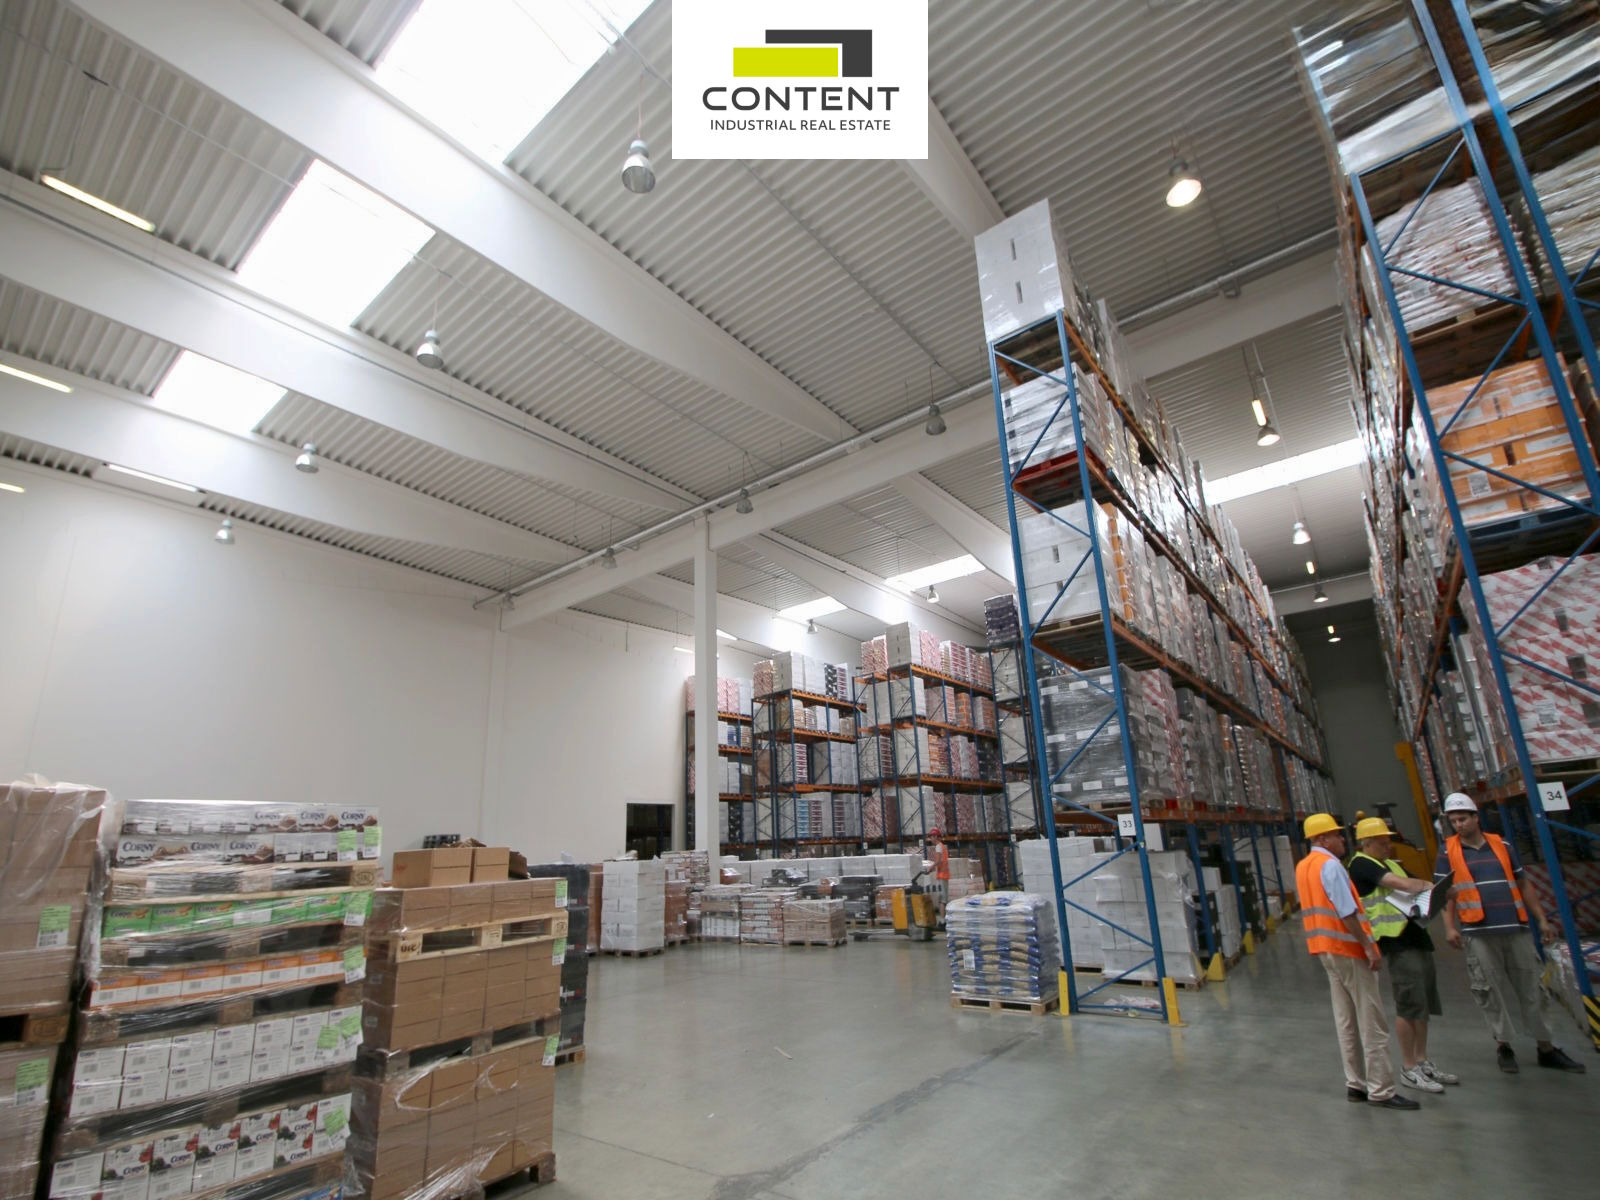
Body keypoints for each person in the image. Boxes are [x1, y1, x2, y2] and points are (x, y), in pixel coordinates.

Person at [1434, 792, 1585, 1074]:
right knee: (1489, 990)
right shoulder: (1447, 851)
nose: (1458, 825)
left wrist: (1542, 920)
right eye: (1454, 821)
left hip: (1515, 928)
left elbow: (1523, 884)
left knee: (1532, 988)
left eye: (1463, 819)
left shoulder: (1501, 845)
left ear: (1476, 817)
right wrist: (1450, 927)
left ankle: (1546, 1048)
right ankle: (1503, 1046)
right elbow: (1445, 893)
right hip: (1478, 931)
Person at [1295, 813, 1419, 1109]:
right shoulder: (1330, 866)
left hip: (1325, 951)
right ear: (1322, 838)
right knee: (1371, 1020)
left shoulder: (1304, 866)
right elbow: (1346, 911)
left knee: (1346, 1021)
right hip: (1349, 950)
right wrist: (1368, 946)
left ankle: (1356, 1084)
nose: (1342, 840)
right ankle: (1381, 1090)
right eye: (1337, 835)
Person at [1347, 816, 1458, 1093]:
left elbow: (1415, 884)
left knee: (1422, 1004)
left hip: (1416, 937)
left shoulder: (1391, 863)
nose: (1389, 847)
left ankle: (1422, 1060)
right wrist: (1433, 887)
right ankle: (1409, 1067)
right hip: (1396, 943)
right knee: (1408, 1004)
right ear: (1366, 843)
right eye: (1383, 843)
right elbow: (1405, 885)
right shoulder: (1361, 864)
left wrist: (1438, 892)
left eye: (1389, 842)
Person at [926, 827, 950, 922]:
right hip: (944, 875)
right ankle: (944, 920)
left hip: (942, 876)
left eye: (932, 837)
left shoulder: (938, 846)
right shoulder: (942, 846)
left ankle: (942, 921)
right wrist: (933, 869)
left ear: (936, 836)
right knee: (943, 899)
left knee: (942, 900)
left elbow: (938, 861)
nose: (931, 839)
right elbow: (941, 862)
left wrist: (931, 867)